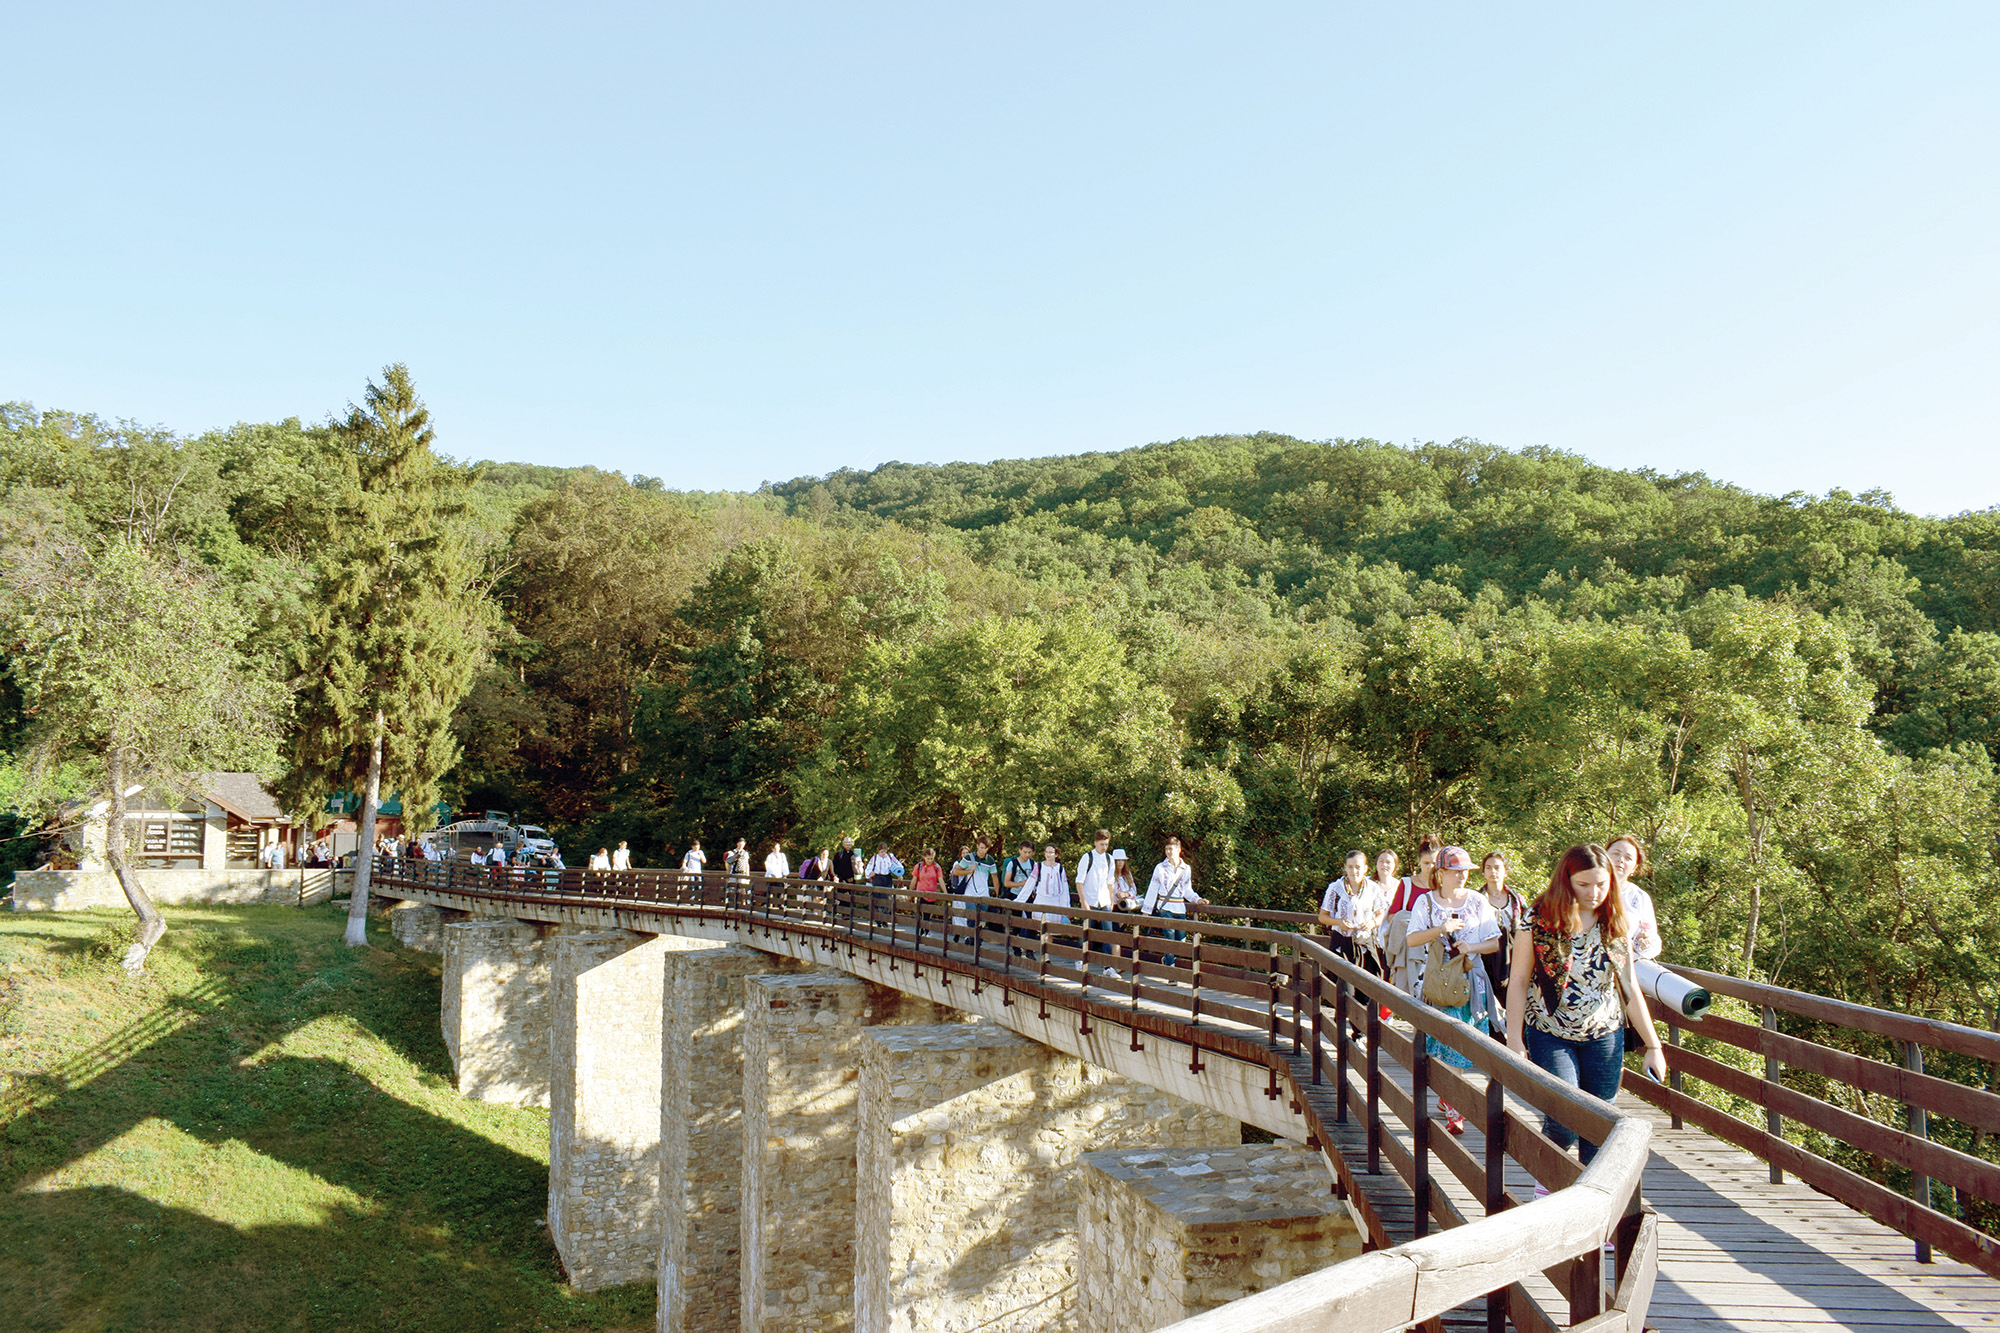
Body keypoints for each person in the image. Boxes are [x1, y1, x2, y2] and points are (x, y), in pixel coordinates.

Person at [1504, 844, 1668, 1170]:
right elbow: (1519, 980)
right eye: (1584, 885)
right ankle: (1546, 1187)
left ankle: (1593, 1206)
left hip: (1604, 1035)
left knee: (1598, 1127)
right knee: (1564, 1122)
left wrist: (1653, 1045)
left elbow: (1630, 985)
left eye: (1601, 885)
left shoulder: (1614, 921)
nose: (1593, 893)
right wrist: (1513, 1039)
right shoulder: (1539, 918)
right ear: (1566, 881)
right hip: (1550, 1032)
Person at [1404, 846, 1501, 1135]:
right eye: (1456, 871)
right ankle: (1455, 1107)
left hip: (1472, 982)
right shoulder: (1427, 903)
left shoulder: (1478, 901)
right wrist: (1441, 929)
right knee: (1446, 1044)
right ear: (1441, 873)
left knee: (1467, 1044)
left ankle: (1449, 1097)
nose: (1461, 877)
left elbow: (1495, 942)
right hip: (1439, 982)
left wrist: (1471, 946)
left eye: (1465, 872)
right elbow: (1411, 940)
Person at [1476, 850, 1529, 1041]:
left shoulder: (1517, 899)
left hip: (1513, 959)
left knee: (1513, 1002)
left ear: (1505, 871)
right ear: (1483, 872)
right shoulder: (1476, 899)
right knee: (1488, 1003)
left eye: (1497, 867)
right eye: (1488, 868)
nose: (1493, 872)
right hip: (1485, 958)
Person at [1141, 837, 1204, 965]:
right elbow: (1153, 889)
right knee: (1169, 938)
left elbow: (1187, 890)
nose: (1168, 852)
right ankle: (1171, 971)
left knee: (1181, 941)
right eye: (1166, 849)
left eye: (1171, 849)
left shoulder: (1185, 868)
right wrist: (1146, 910)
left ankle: (1167, 958)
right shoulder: (1160, 868)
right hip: (1165, 907)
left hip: (1179, 907)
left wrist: (1197, 899)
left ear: (1179, 850)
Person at [1319, 849, 1386, 969]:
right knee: (1343, 985)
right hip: (1341, 943)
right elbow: (1322, 916)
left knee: (1368, 984)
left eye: (1357, 867)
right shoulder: (1335, 888)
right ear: (1345, 868)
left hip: (1365, 944)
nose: (1354, 871)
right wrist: (1339, 922)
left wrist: (1372, 923)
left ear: (1365, 868)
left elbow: (1381, 914)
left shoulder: (1373, 888)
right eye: (1350, 867)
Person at [1604, 833, 1662, 960]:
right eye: (1616, 853)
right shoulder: (1587, 886)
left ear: (1634, 868)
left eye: (1628, 858)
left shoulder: (1639, 897)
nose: (1621, 860)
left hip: (1623, 967)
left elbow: (1654, 945)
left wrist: (1646, 942)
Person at [1075, 829, 1118, 955]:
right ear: (1095, 843)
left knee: (1108, 934)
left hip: (1104, 902)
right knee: (1085, 933)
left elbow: (1111, 883)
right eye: (1101, 844)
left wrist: (1111, 902)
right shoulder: (1087, 857)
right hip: (1090, 901)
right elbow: (1079, 882)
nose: (1104, 847)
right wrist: (1083, 902)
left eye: (1106, 844)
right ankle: (1080, 959)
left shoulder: (1110, 859)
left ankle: (1108, 965)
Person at [1015, 843, 1072, 924]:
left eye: (1051, 852)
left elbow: (1065, 890)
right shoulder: (1039, 866)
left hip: (1055, 904)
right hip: (1041, 902)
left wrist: (1066, 908)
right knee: (1043, 931)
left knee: (1052, 932)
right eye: (1046, 852)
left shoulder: (1060, 868)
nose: (1048, 855)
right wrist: (1018, 901)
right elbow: (1029, 885)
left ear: (1056, 855)